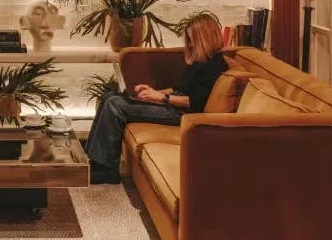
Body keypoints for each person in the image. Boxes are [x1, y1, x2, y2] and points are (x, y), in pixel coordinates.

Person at [84, 11, 228, 184]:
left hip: (183, 114)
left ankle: (107, 170)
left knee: (115, 105)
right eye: (189, 39)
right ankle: (93, 162)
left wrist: (161, 99)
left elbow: (194, 102)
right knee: (109, 96)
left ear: (205, 38)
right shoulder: (201, 62)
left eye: (193, 39)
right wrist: (153, 92)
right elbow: (178, 89)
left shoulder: (216, 66)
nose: (190, 44)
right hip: (174, 104)